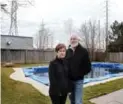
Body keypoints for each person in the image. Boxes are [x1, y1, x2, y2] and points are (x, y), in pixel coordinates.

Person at [66, 35, 92, 104]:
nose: (73, 40)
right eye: (71, 39)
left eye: (74, 39)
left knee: (78, 101)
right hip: (69, 81)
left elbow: (88, 67)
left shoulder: (83, 51)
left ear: (78, 40)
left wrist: (79, 74)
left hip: (79, 81)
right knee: (72, 100)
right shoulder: (68, 51)